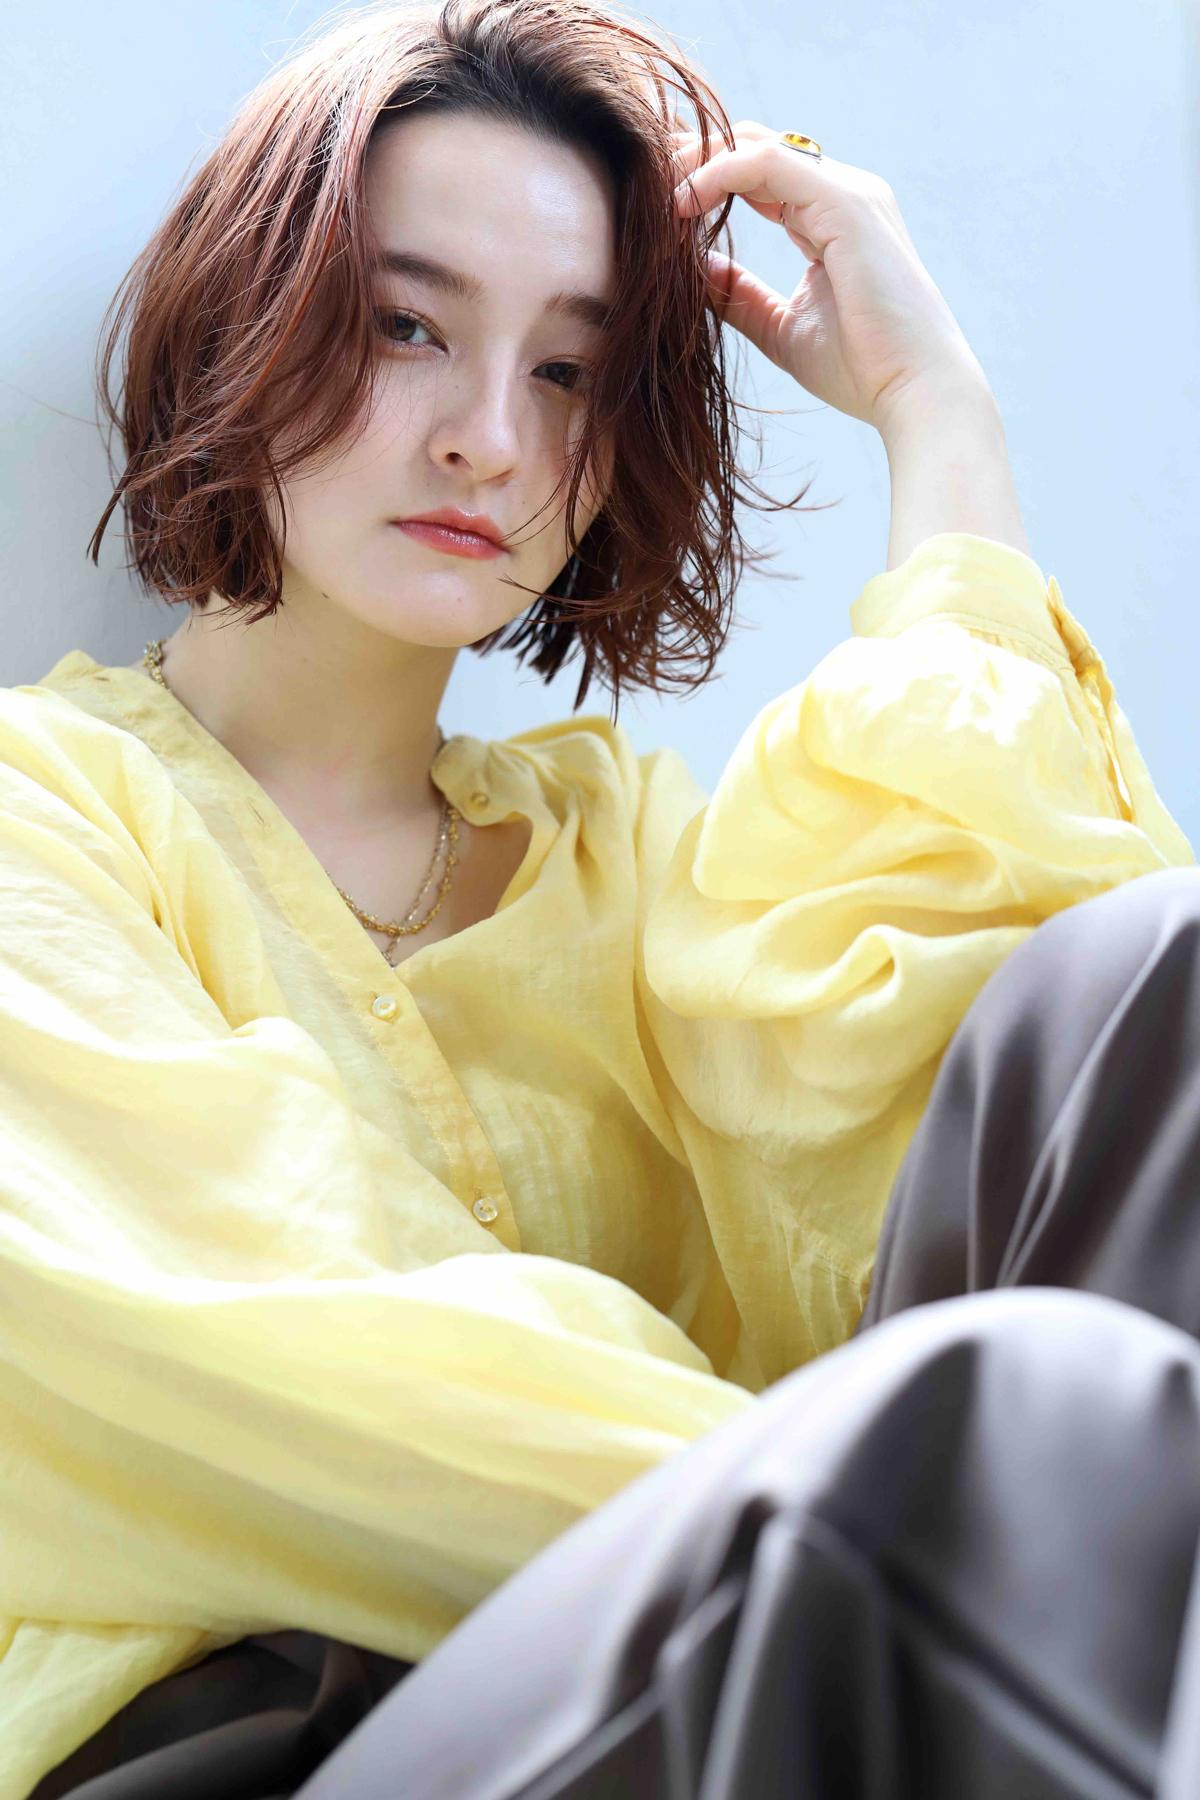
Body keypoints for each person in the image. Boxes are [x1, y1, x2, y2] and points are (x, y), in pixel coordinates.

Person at [5, 0, 1195, 1794]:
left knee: (1154, 976)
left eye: (567, 372)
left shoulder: (626, 863)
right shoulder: (37, 823)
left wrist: (937, 415)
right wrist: (914, 1506)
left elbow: (971, 1079)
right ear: (245, 314)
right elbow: (282, 1362)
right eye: (407, 326)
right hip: (279, 1748)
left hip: (755, 1686)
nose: (491, 438)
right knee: (1031, 1424)